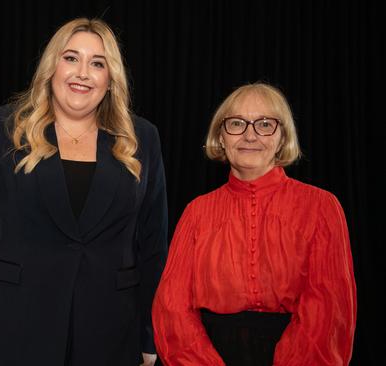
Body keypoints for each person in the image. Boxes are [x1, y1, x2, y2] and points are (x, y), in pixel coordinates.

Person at [0, 17, 168, 366]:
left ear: (110, 79)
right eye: (71, 58)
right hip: (9, 329)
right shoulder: (4, 128)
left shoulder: (142, 139)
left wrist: (149, 333)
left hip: (108, 334)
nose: (82, 72)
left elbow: (153, 245)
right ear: (51, 67)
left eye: (97, 63)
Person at [152, 82, 357, 365]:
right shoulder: (196, 212)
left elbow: (329, 310)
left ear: (282, 137)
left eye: (264, 124)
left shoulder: (322, 207)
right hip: (208, 354)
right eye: (236, 123)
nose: (250, 135)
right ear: (221, 137)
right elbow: (172, 307)